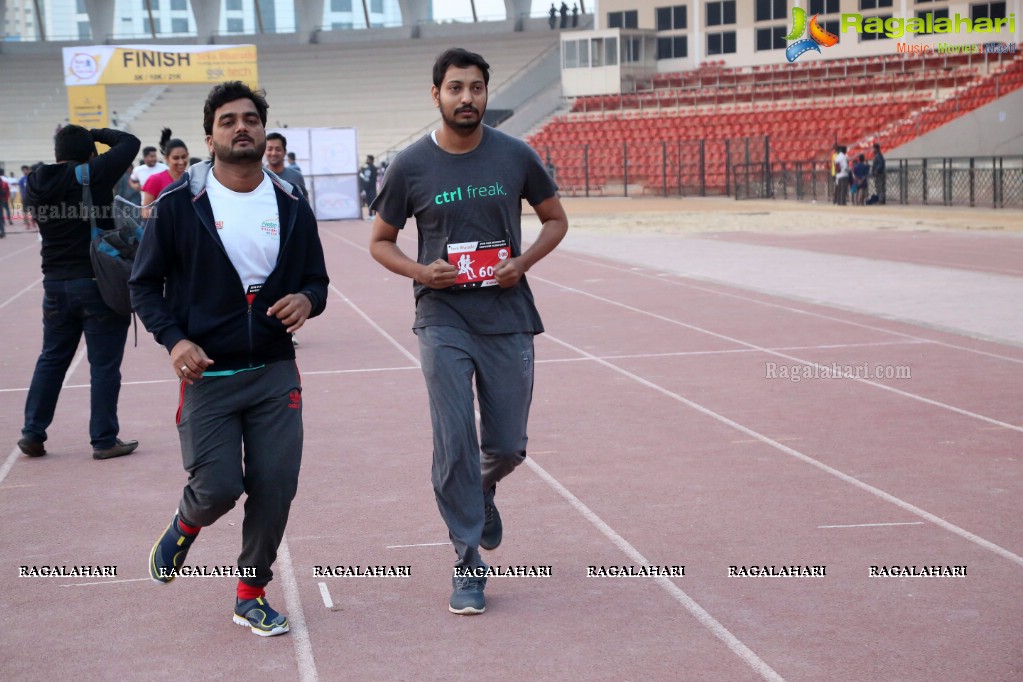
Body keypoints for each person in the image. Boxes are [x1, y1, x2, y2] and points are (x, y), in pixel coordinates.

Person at [369, 48, 568, 616]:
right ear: (436, 95)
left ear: (486, 94)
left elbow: (556, 220)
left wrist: (522, 263)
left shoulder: (515, 155)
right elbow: (380, 241)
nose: (467, 98)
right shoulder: (410, 165)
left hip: (506, 316)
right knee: (454, 439)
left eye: (476, 88)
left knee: (506, 446)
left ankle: (483, 490)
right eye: (455, 88)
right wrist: (419, 271)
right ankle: (466, 560)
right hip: (442, 316)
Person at [130, 81, 329, 637]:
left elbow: (318, 279)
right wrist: (175, 341)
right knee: (217, 488)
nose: (241, 127)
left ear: (264, 131)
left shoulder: (291, 204)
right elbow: (143, 287)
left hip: (273, 371)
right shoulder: (176, 207)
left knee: (275, 485)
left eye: (250, 119)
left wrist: (308, 299)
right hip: (208, 374)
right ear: (209, 136)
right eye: (227, 120)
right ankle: (185, 525)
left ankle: (250, 592)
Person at [18, 125, 141, 460]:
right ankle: (103, 439)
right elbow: (130, 142)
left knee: (51, 359)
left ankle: (32, 432)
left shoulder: (35, 181)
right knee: (103, 365)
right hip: (97, 282)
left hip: (54, 285)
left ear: (57, 151)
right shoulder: (92, 174)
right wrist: (97, 132)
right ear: (89, 151)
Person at [141, 129, 189, 218]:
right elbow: (145, 212)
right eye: (176, 158)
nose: (181, 162)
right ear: (167, 158)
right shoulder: (155, 180)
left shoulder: (192, 178)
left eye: (184, 157)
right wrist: (166, 212)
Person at [264, 132, 307, 198]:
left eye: (278, 149)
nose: (273, 153)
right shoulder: (259, 177)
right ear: (265, 152)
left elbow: (304, 205)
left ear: (285, 152)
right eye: (270, 149)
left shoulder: (296, 177)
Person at [359, 154, 378, 218]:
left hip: (372, 188)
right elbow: (362, 173)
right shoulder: (366, 168)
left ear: (371, 160)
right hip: (366, 188)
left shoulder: (374, 168)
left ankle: (375, 215)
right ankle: (370, 214)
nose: (366, 160)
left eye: (368, 159)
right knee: (368, 201)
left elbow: (373, 178)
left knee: (373, 201)